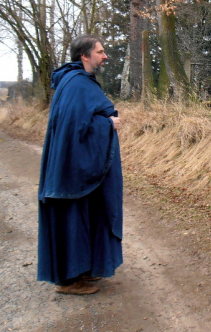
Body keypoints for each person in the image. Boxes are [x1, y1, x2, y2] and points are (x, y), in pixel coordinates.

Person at [38, 35, 123, 295]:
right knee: (74, 217)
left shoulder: (79, 82)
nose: (105, 56)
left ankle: (84, 268)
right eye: (100, 51)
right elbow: (74, 127)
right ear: (85, 56)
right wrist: (108, 124)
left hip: (82, 165)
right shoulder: (76, 84)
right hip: (74, 169)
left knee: (88, 214)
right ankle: (69, 279)